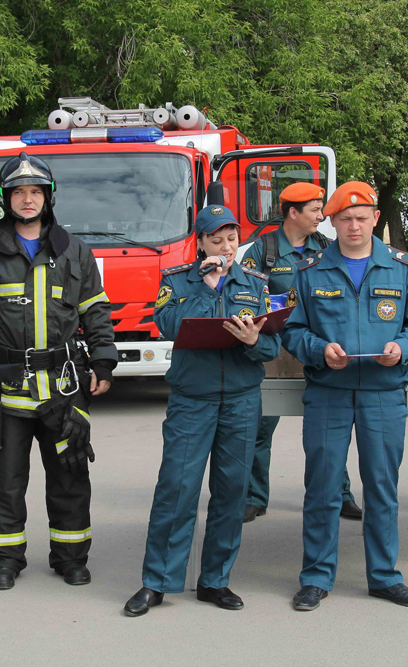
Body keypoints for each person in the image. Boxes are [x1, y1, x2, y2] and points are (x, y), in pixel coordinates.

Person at [0, 152, 117, 591]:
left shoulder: (75, 250)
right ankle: (5, 560)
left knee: (70, 475)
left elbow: (95, 310)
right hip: (5, 389)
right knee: (4, 481)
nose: (27, 200)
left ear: (49, 197)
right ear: (6, 198)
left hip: (63, 387)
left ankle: (70, 557)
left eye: (35, 192)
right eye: (19, 192)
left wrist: (103, 360)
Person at [282, 181, 408, 611]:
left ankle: (385, 577)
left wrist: (402, 349)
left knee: (383, 488)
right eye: (345, 219)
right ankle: (315, 577)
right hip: (328, 392)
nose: (354, 226)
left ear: (375, 220)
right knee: (323, 488)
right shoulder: (310, 271)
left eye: (362, 218)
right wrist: (319, 350)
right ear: (331, 223)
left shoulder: (402, 269)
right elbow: (293, 330)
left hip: (383, 393)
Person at [124, 205, 280, 617]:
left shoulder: (254, 284)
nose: (226, 247)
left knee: (231, 492)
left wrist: (251, 340)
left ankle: (215, 580)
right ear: (201, 243)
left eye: (231, 239)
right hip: (193, 399)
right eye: (216, 239)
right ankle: (156, 582)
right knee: (177, 489)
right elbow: (169, 325)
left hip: (242, 400)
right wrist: (206, 289)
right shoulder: (177, 281)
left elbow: (271, 348)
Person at [240, 182, 362, 523]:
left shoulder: (326, 246)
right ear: (293, 212)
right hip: (276, 348)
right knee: (261, 425)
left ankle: (340, 495)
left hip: (319, 346)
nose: (322, 216)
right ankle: (254, 497)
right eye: (315, 209)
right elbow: (247, 294)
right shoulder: (262, 250)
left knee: (330, 426)